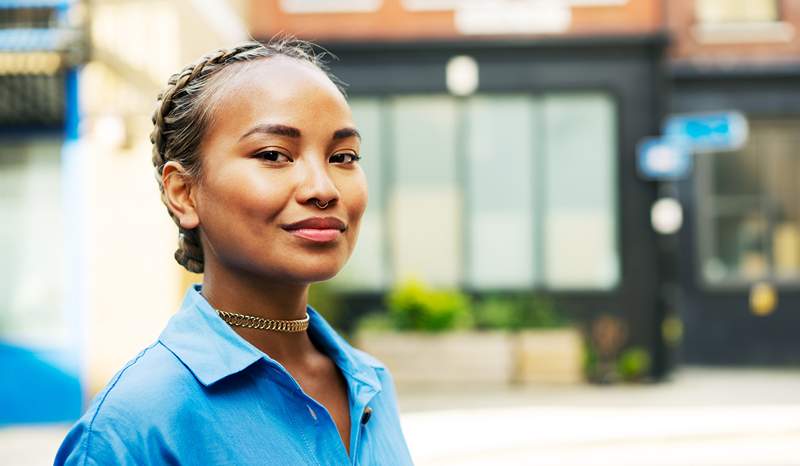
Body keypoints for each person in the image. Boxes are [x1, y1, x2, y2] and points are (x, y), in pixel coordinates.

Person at [54, 38, 414, 465]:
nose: (323, 189)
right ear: (183, 193)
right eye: (274, 155)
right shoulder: (132, 428)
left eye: (343, 156)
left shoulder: (370, 384)